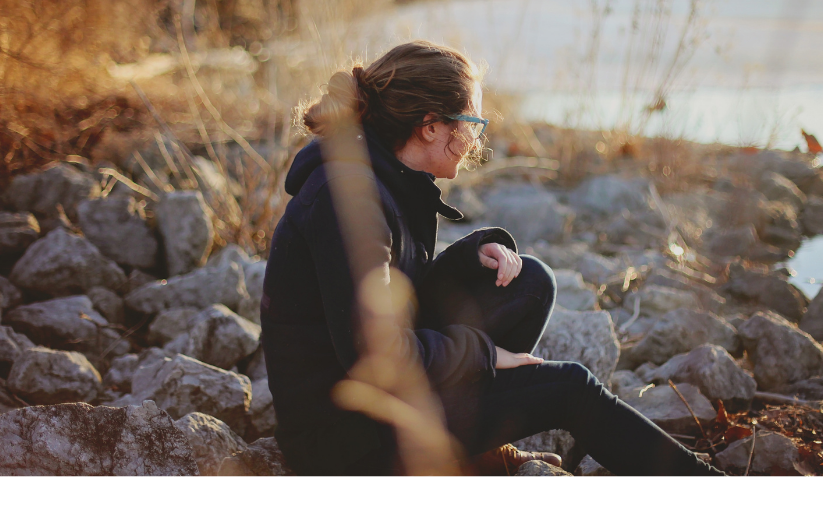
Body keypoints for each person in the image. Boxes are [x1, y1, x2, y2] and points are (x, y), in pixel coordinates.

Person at [260, 40, 719, 476]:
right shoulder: (348, 200)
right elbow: (375, 355)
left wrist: (468, 256)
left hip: (380, 397)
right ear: (432, 125)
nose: (477, 137)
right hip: (341, 439)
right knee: (569, 388)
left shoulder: (389, 177)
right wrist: (485, 354)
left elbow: (397, 296)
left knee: (531, 283)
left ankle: (472, 445)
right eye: (472, 123)